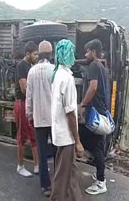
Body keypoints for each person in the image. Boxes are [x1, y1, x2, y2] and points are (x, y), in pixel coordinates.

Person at [50, 39, 84, 201]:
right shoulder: (67, 78)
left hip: (59, 132)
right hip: (66, 136)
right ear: (67, 55)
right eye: (71, 53)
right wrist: (77, 141)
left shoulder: (57, 75)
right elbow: (70, 112)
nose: (74, 56)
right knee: (62, 176)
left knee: (69, 172)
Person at [78, 39, 108, 195]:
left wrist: (82, 104)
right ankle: (99, 173)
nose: (85, 54)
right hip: (101, 111)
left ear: (94, 51)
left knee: (92, 144)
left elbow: (93, 87)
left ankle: (101, 182)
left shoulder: (94, 66)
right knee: (98, 145)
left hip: (95, 112)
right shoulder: (102, 67)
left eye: (87, 51)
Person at [26, 40, 54, 197]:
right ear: (50, 54)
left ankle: (46, 186)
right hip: (54, 119)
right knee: (57, 152)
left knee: (42, 154)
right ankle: (59, 182)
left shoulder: (32, 72)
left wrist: (29, 115)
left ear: (39, 54)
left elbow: (28, 98)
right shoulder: (54, 71)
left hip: (38, 119)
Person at [14, 41, 39, 177]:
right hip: (22, 103)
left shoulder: (31, 66)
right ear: (28, 54)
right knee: (22, 135)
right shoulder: (21, 66)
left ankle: (37, 165)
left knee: (34, 134)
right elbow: (24, 89)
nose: (37, 57)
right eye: (35, 54)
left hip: (30, 103)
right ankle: (20, 166)